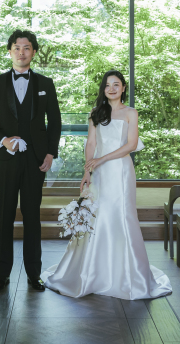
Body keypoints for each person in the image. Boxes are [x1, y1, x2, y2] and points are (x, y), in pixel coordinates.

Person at [41, 70, 172, 299]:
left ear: (123, 88)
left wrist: (101, 159)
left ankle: (126, 274)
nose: (111, 88)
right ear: (103, 89)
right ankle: (92, 273)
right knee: (96, 215)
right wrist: (87, 170)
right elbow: (91, 143)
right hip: (98, 173)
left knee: (121, 215)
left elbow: (131, 145)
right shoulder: (95, 113)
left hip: (120, 172)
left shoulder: (131, 113)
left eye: (116, 84)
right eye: (107, 85)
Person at [0, 30, 61, 293]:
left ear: (34, 52)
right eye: (17, 48)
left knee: (32, 217)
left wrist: (50, 153)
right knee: (4, 215)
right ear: (10, 51)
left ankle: (34, 274)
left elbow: (55, 122)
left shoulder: (46, 84)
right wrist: (2, 139)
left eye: (27, 48)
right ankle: (1, 275)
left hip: (36, 161)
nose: (22, 52)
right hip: (5, 160)